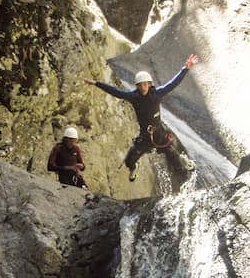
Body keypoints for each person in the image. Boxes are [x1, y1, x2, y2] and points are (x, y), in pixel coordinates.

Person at [84, 54, 199, 183]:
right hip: (145, 135)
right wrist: (96, 83)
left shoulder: (157, 93)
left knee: (173, 156)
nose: (143, 87)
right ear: (137, 86)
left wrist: (186, 68)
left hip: (159, 133)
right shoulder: (134, 97)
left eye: (145, 84)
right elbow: (115, 92)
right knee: (129, 161)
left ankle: (185, 161)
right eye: (140, 85)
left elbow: (173, 84)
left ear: (149, 85)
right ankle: (134, 167)